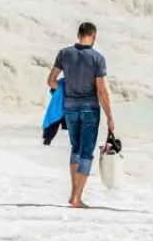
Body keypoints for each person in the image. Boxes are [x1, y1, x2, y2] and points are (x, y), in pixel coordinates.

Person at [46, 21, 114, 209]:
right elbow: (101, 91)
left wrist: (64, 87)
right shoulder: (97, 58)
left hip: (70, 108)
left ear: (79, 34)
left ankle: (73, 194)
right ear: (94, 36)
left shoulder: (64, 53)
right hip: (90, 108)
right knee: (86, 153)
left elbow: (51, 81)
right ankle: (76, 197)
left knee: (75, 149)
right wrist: (110, 116)